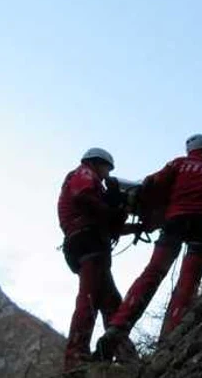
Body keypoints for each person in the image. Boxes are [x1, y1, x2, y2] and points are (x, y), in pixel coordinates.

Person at [95, 134, 202, 360]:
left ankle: (118, 326)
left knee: (154, 272)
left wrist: (150, 212)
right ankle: (171, 337)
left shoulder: (179, 163)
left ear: (191, 151)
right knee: (189, 280)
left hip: (176, 220)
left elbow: (153, 183)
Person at [58, 147, 137, 372]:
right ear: (95, 163)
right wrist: (114, 207)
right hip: (88, 241)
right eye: (106, 168)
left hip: (89, 242)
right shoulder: (84, 174)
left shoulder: (93, 185)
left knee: (111, 303)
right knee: (90, 298)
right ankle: (76, 356)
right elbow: (87, 200)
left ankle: (126, 356)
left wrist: (132, 225)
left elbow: (108, 222)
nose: (107, 174)